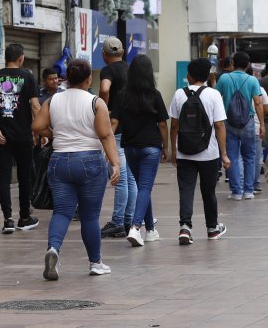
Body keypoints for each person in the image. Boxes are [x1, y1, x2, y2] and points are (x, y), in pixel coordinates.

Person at [32, 58, 121, 280]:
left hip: (59, 161)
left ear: (66, 79)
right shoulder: (95, 102)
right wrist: (115, 162)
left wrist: (54, 135)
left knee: (62, 211)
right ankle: (95, 262)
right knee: (90, 216)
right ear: (89, 78)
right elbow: (106, 134)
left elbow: (36, 126)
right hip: (90, 161)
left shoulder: (54, 100)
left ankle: (53, 249)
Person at [169, 58, 231, 245]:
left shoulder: (179, 94)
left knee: (186, 190)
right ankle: (212, 228)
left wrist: (174, 150)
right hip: (209, 153)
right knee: (208, 191)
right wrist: (224, 153)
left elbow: (174, 125)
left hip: (184, 152)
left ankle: (185, 228)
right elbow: (219, 125)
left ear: (190, 75)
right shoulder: (213, 94)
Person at [0, 43, 41, 234]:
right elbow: (34, 106)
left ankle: (8, 220)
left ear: (6, 57)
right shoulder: (28, 77)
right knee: (25, 177)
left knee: (5, 178)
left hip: (2, 137)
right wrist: (39, 130)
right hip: (23, 135)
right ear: (21, 58)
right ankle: (24, 218)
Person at [111, 54, 169, 246]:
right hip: (151, 147)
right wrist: (166, 146)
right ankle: (136, 228)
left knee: (144, 187)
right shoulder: (155, 95)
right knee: (145, 187)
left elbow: (114, 122)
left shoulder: (121, 96)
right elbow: (162, 124)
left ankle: (151, 230)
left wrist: (108, 145)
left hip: (130, 148)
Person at [98, 36, 136, 239]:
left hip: (116, 126)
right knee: (130, 178)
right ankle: (129, 220)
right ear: (122, 52)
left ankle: (118, 221)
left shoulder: (108, 70)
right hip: (132, 126)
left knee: (118, 176)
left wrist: (103, 108)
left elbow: (104, 88)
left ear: (104, 54)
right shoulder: (131, 69)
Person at [215, 51, 265, 199]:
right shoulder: (252, 80)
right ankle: (249, 191)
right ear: (248, 65)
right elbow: (258, 102)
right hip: (248, 122)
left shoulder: (224, 78)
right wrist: (262, 124)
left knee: (232, 156)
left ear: (232, 63)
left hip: (228, 122)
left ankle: (236, 191)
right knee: (250, 156)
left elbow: (216, 97)